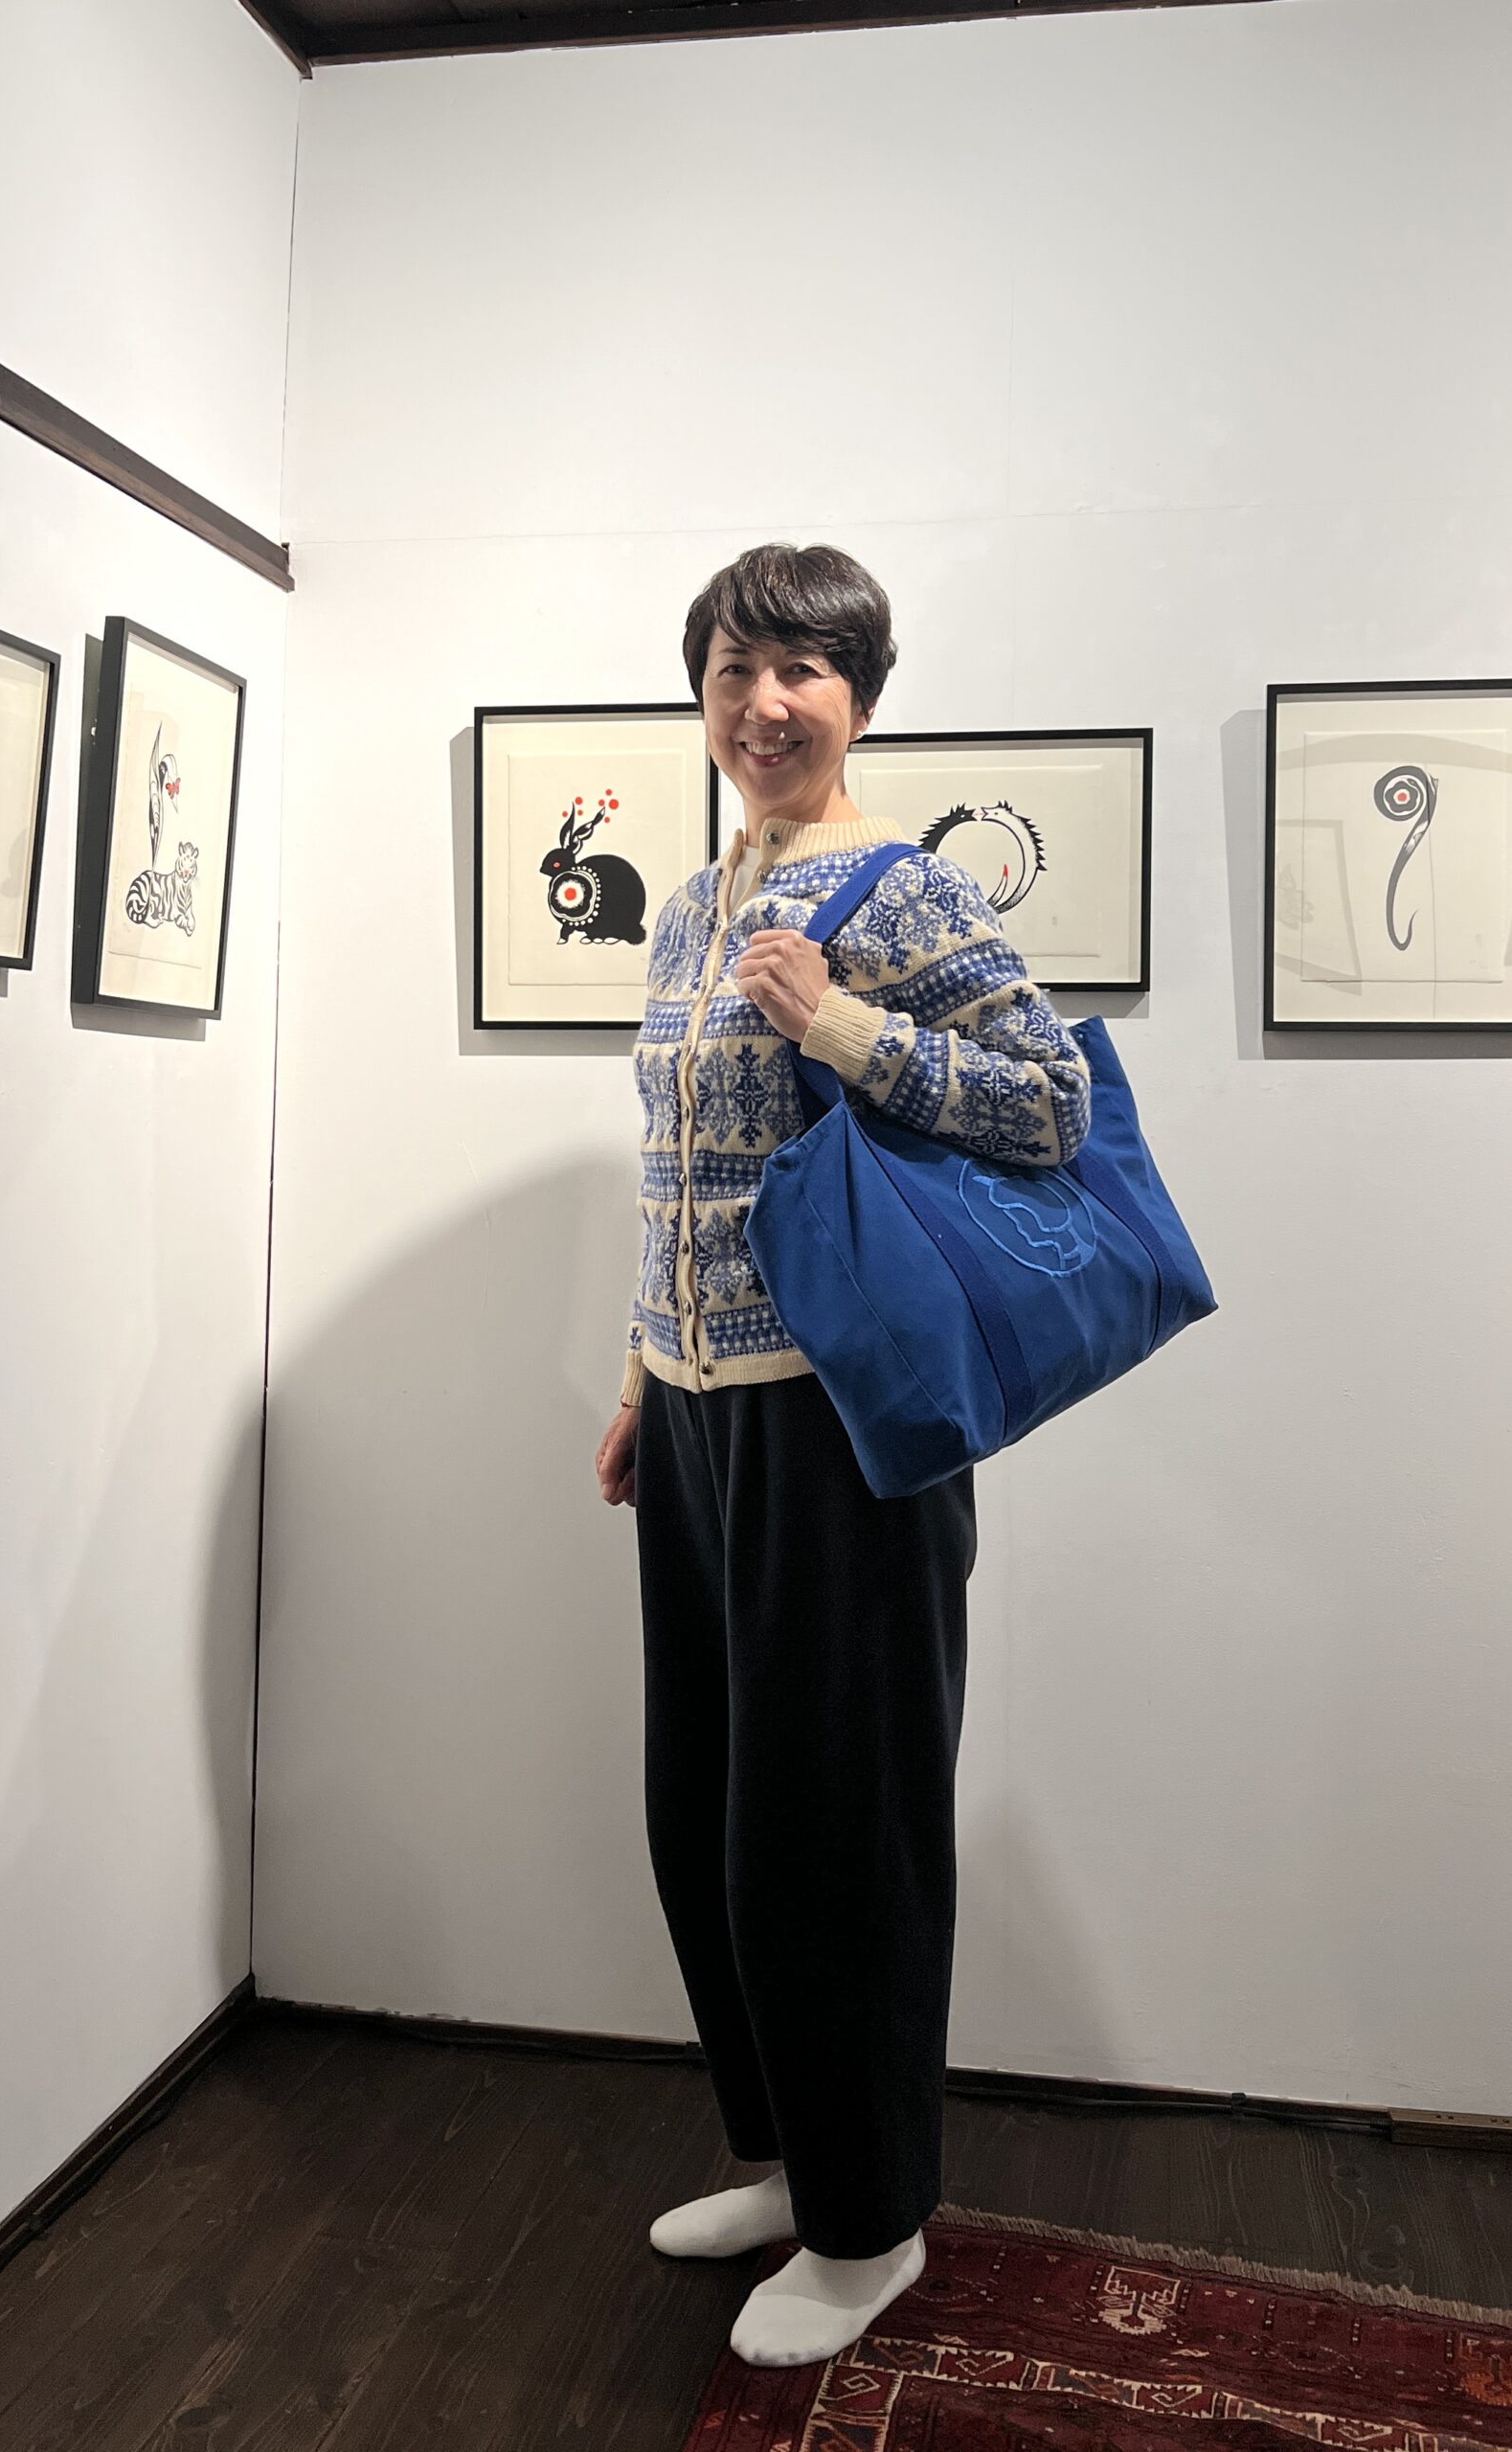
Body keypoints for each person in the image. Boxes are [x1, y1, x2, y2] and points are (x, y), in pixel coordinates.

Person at [593, 541, 1093, 2371]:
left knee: (836, 1827)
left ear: (859, 698)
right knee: (707, 1812)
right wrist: (642, 1374)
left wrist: (844, 1026)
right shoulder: (682, 911)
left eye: (801, 669)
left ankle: (871, 2222)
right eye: (733, 669)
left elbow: (1050, 1106)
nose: (763, 702)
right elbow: (681, 1169)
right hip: (696, 1419)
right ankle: (791, 2161)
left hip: (840, 1426)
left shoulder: (903, 891)